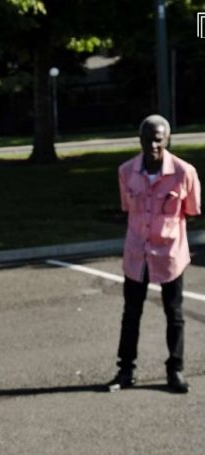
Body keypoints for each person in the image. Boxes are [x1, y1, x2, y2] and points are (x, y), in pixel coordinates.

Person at [109, 114, 201, 393]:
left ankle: (176, 370)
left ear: (168, 140)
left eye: (159, 141)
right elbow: (129, 207)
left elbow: (192, 210)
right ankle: (126, 370)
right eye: (148, 140)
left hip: (169, 254)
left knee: (174, 314)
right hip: (137, 253)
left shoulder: (185, 173)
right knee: (131, 313)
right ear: (140, 140)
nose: (153, 146)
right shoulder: (126, 172)